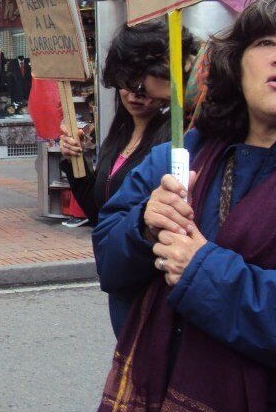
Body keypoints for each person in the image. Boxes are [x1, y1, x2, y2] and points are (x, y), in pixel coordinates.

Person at [94, 0, 276, 411]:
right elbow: (109, 264)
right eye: (265, 42)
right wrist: (143, 226)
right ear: (237, 63)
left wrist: (202, 272)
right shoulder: (176, 155)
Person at [59, 21, 193, 336]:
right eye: (127, 82)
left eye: (146, 82)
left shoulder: (175, 141)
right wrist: (75, 161)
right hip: (119, 282)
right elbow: (100, 211)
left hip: (153, 289)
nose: (134, 94)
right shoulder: (121, 130)